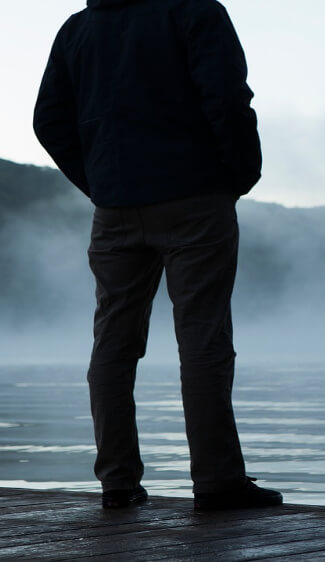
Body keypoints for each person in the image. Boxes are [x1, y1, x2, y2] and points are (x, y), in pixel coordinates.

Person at [33, 0, 282, 510]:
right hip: (195, 198)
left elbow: (48, 121)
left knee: (113, 343)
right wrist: (239, 175)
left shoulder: (78, 29)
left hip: (116, 207)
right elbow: (227, 97)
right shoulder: (195, 13)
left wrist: (103, 183)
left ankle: (117, 483)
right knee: (203, 336)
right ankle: (217, 484)